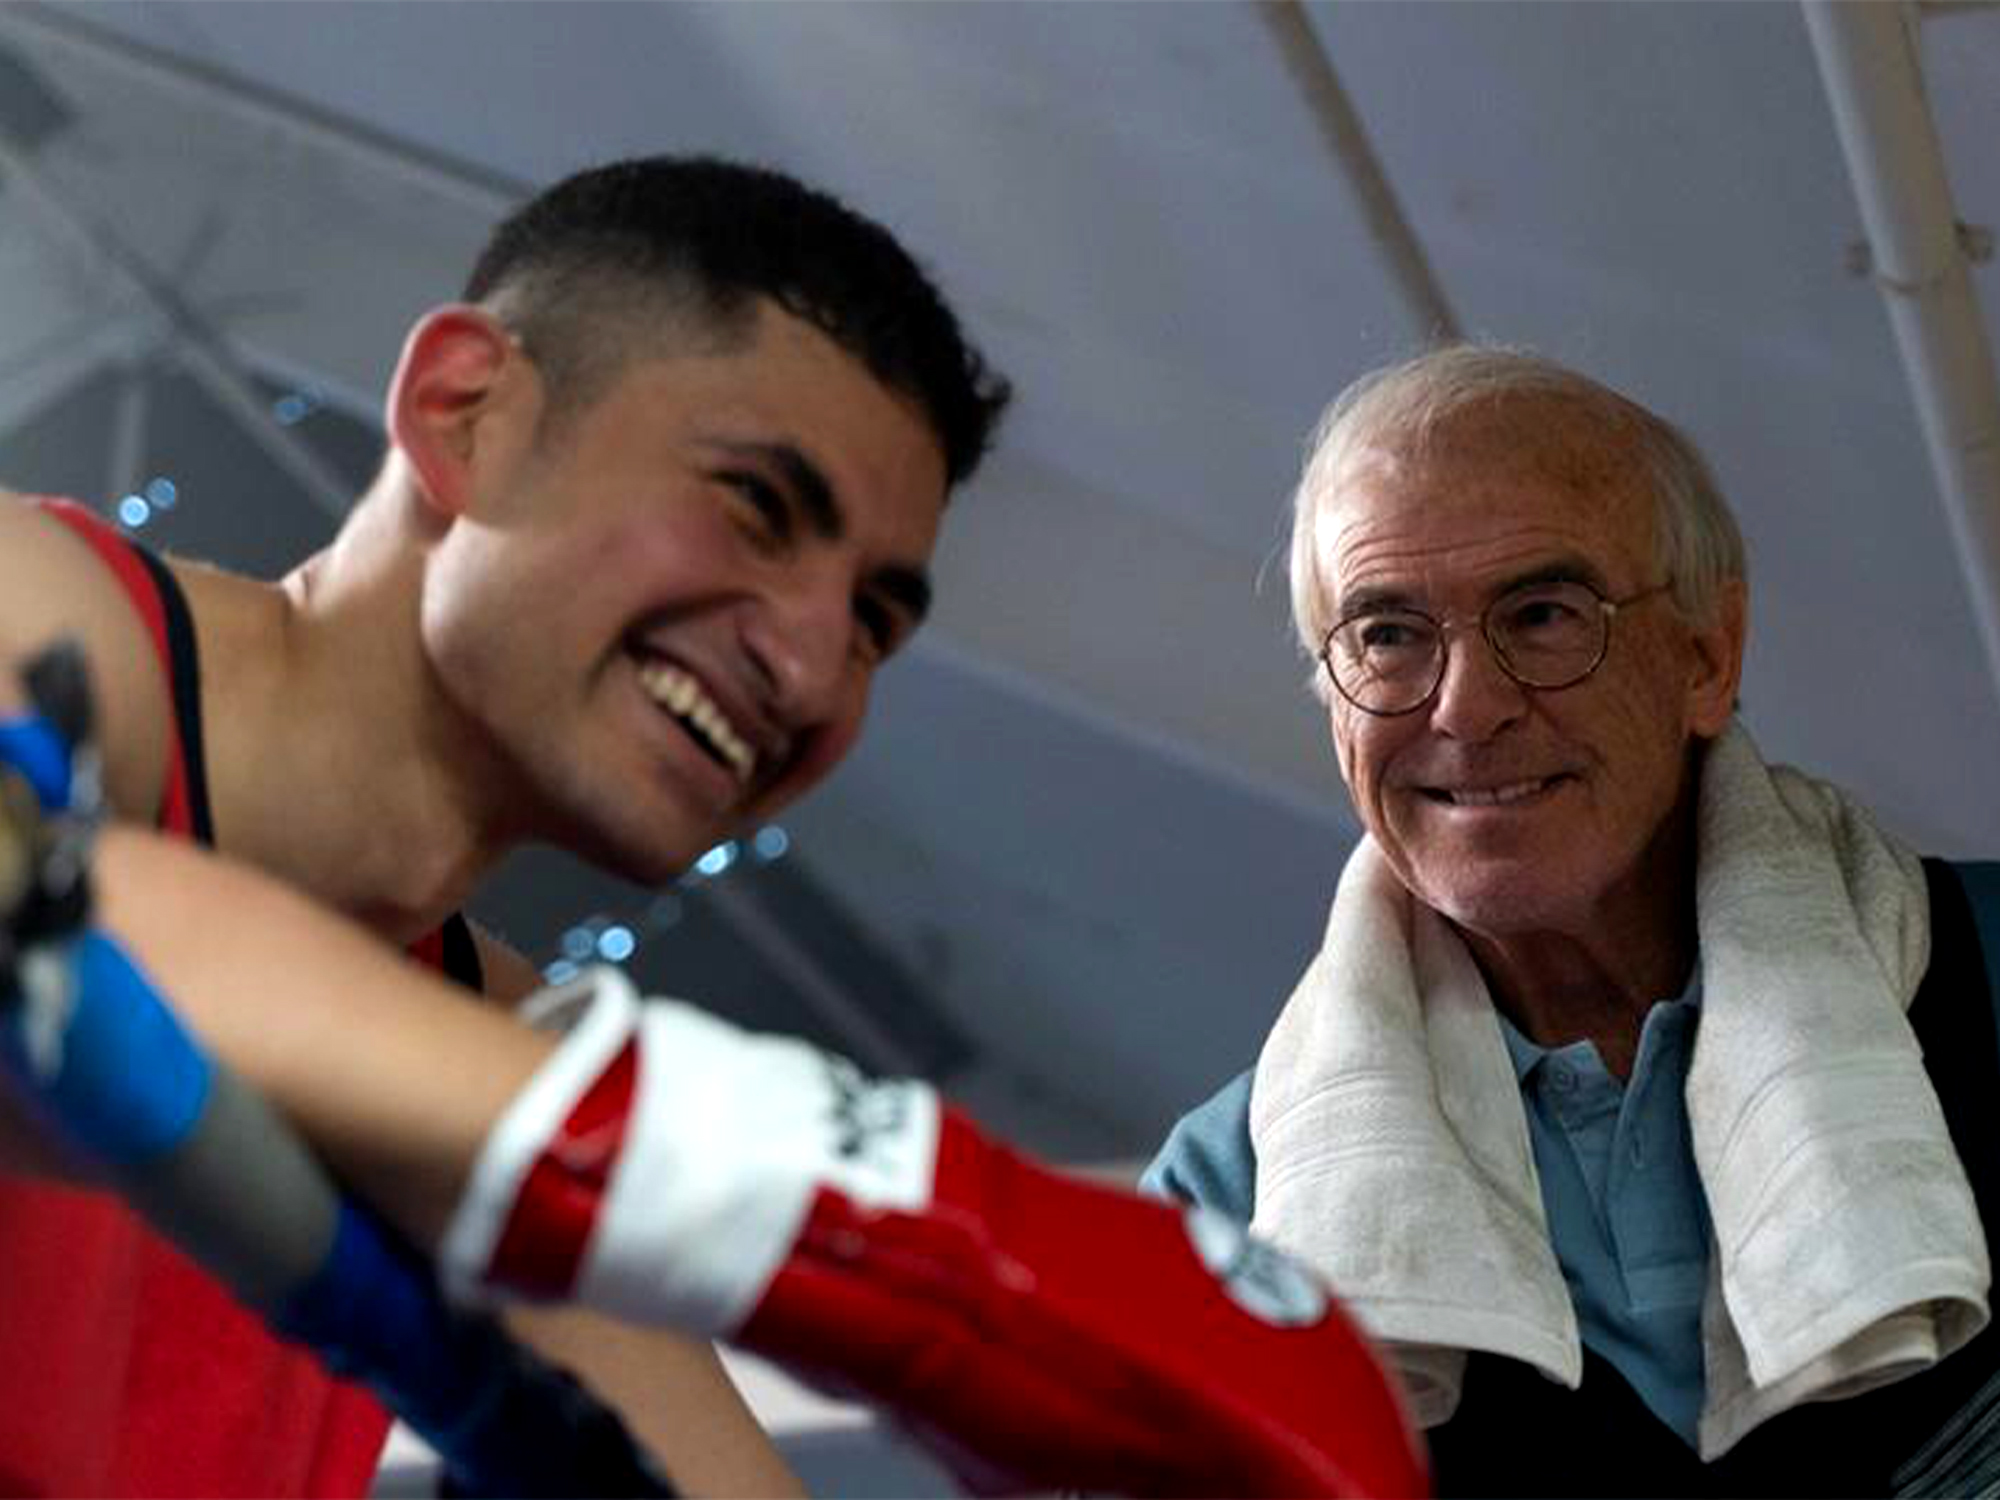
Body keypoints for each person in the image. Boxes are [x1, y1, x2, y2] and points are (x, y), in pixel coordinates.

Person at [0, 152, 1009, 1498]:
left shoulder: (499, 1058)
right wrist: (912, 1196)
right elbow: (36, 895)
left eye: (874, 621)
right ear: (464, 414)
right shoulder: (45, 610)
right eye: (757, 507)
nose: (815, 671)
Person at [1143, 345, 2000, 1496]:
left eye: (1541, 614)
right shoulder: (1231, 1203)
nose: (1466, 706)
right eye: (1385, 634)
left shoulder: (1984, 969)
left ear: (1707, 655)